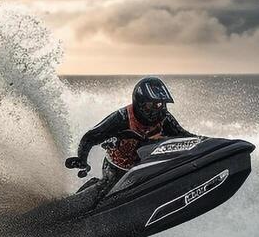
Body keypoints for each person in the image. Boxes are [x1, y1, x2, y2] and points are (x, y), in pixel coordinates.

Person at [65, 76, 199, 195]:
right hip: (117, 168)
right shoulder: (121, 118)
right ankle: (81, 198)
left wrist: (206, 144)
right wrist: (82, 160)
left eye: (161, 104)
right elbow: (90, 137)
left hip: (145, 167)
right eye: (153, 105)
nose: (159, 109)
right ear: (140, 103)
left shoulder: (164, 117)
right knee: (105, 190)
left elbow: (184, 136)